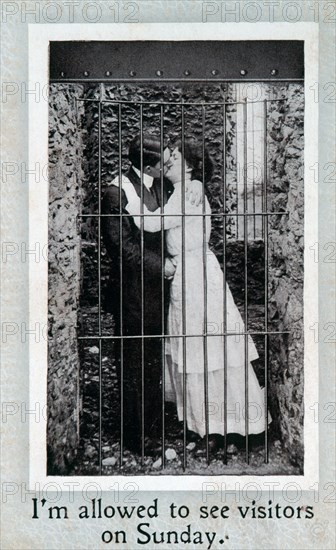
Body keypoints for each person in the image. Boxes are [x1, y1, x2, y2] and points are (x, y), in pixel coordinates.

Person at [122, 137, 270, 452]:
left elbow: (150, 223)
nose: (167, 160)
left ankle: (225, 427)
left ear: (189, 166)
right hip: (188, 276)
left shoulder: (187, 194)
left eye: (174, 156)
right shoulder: (182, 192)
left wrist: (123, 191)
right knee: (198, 350)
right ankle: (209, 426)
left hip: (195, 278)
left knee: (207, 350)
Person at [101, 134, 202, 455]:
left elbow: (185, 203)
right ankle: (134, 434)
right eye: (163, 163)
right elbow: (121, 245)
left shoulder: (165, 186)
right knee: (133, 359)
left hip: (161, 292)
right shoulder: (117, 191)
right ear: (148, 165)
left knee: (153, 359)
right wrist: (161, 267)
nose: (168, 165)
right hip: (132, 290)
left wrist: (197, 183)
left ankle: (153, 422)